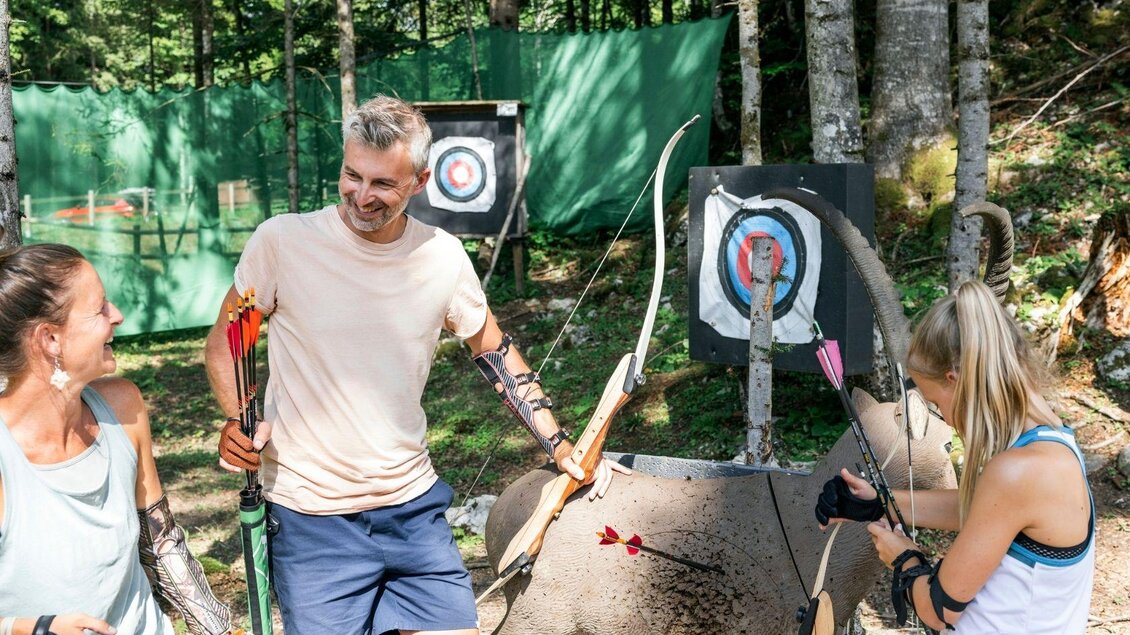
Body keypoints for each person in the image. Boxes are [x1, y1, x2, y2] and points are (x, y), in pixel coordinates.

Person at [205, 94, 629, 635]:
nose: (362, 196)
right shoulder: (284, 241)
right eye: (352, 175)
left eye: (384, 184)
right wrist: (239, 419)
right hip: (311, 520)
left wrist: (563, 445)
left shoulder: (443, 256)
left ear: (421, 181)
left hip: (412, 510)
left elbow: (494, 352)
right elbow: (226, 340)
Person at [815, 280, 1094, 633]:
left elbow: (938, 609)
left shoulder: (1019, 471)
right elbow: (986, 512)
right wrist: (878, 502)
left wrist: (902, 555)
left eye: (936, 402)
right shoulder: (1053, 442)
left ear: (956, 380)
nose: (943, 416)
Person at [0, 244, 233, 635]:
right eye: (100, 308)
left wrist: (219, 629)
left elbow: (161, 544)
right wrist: (32, 628)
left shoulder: (122, 405)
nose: (118, 316)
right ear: (50, 340)